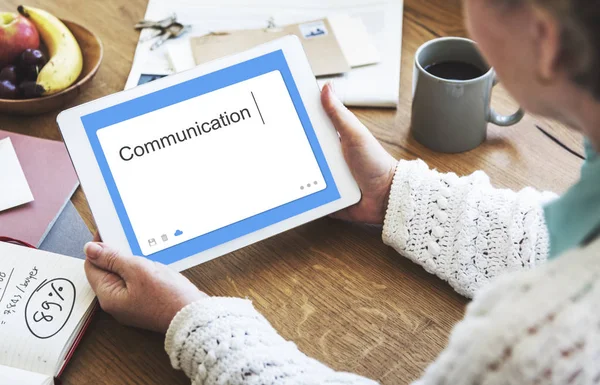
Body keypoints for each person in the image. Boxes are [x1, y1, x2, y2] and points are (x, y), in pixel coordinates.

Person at [83, 0, 600, 383]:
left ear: (545, 39)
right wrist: (394, 192)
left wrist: (189, 321)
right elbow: (567, 243)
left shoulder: (539, 345)